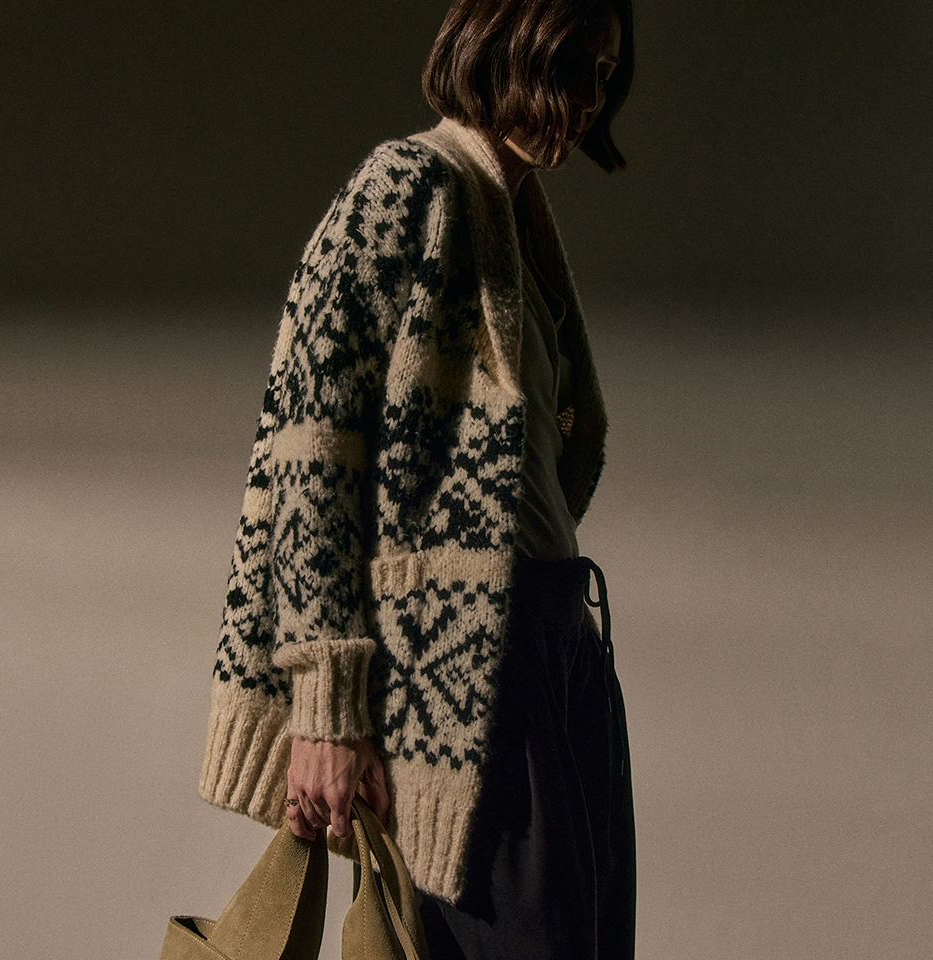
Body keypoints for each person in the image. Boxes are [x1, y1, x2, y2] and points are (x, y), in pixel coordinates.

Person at [199, 0, 636, 956]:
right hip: (467, 679)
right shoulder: (406, 186)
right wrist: (326, 708)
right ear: (503, 42)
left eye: (604, 77)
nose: (587, 100)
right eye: (570, 66)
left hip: (559, 655)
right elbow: (311, 447)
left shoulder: (514, 217)